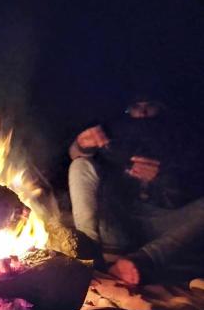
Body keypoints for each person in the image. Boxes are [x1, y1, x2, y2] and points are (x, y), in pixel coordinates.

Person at [68, 94, 204, 284]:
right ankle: (88, 251)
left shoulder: (183, 135)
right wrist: (81, 144)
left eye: (150, 106)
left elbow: (191, 186)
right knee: (80, 166)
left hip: (163, 226)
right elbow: (77, 157)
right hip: (119, 223)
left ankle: (142, 260)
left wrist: (161, 177)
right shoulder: (116, 129)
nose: (142, 113)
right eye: (136, 107)